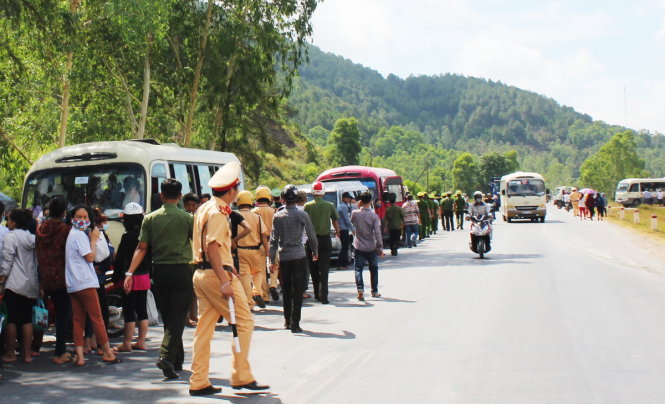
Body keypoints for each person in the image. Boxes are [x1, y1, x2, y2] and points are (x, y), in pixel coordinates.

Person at [189, 162, 269, 396]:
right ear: (232, 190)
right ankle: (241, 375)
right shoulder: (217, 213)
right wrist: (225, 279)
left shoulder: (205, 208)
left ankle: (199, 380)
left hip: (202, 274)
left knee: (204, 328)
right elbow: (213, 247)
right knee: (244, 322)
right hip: (216, 275)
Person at [125, 178, 193, 379]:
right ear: (180, 196)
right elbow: (198, 243)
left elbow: (142, 248)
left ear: (162, 196)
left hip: (160, 271)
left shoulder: (150, 218)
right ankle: (166, 356)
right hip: (182, 270)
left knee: (169, 316)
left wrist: (130, 272)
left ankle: (176, 361)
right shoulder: (188, 218)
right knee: (178, 315)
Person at [65, 205, 119, 366]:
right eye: (79, 217)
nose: (82, 220)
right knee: (97, 318)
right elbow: (90, 257)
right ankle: (108, 352)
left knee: (78, 320)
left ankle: (80, 356)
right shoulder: (80, 236)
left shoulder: (71, 234)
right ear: (72, 218)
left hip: (73, 283)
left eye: (85, 217)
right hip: (85, 282)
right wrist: (94, 240)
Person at [269, 185, 318, 333]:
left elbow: (273, 241)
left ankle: (287, 320)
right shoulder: (302, 215)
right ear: (297, 199)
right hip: (299, 256)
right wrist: (315, 251)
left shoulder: (278, 216)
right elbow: (311, 235)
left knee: (286, 288)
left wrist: (272, 260)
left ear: (283, 199)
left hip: (284, 257)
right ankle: (295, 323)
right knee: (298, 290)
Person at [35, 197, 72, 364]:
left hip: (44, 277)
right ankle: (60, 351)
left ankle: (34, 347)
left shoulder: (41, 228)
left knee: (41, 313)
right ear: (64, 212)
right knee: (62, 316)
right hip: (61, 278)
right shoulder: (66, 230)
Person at [0, 209, 39, 363]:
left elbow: (7, 260)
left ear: (14, 222)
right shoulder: (32, 238)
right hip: (30, 284)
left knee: (12, 320)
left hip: (14, 284)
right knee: (27, 319)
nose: (7, 222)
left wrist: (2, 279)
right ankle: (27, 353)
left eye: (9, 220)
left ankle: (10, 353)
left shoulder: (11, 237)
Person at [114, 203, 151, 353]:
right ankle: (141, 341)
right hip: (144, 276)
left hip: (129, 277)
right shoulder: (146, 234)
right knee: (142, 309)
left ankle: (127, 342)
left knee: (129, 310)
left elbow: (120, 258)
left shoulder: (127, 236)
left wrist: (118, 276)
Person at [304, 181, 339, 304]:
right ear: (323, 191)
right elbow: (335, 220)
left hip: (312, 241)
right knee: (324, 269)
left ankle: (317, 294)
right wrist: (338, 232)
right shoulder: (329, 205)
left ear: (312, 192)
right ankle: (324, 296)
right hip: (325, 240)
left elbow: (303, 223)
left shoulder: (307, 206)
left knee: (313, 269)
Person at [235, 191, 270, 310]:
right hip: (255, 251)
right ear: (250, 202)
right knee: (259, 272)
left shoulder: (234, 216)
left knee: (244, 276)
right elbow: (263, 236)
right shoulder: (257, 217)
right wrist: (268, 250)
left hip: (240, 251)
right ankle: (256, 291)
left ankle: (249, 303)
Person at [351, 192, 384, 301]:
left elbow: (352, 221)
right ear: (370, 202)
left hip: (358, 246)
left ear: (360, 201)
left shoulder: (355, 213)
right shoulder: (374, 216)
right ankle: (374, 291)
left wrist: (357, 206)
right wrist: (380, 248)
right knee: (373, 269)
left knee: (358, 269)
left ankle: (360, 289)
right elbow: (377, 233)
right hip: (371, 246)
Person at [253, 186, 279, 302]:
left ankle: (265, 295)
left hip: (258, 244)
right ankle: (273, 284)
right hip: (272, 242)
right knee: (275, 265)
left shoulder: (254, 212)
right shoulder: (274, 211)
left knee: (261, 270)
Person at [336, 192, 353, 269]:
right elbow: (347, 219)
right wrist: (352, 229)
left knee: (345, 246)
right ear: (343, 198)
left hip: (342, 228)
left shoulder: (342, 206)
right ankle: (341, 264)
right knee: (345, 247)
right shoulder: (343, 207)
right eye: (347, 198)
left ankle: (343, 264)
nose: (349, 199)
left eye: (349, 198)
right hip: (343, 229)